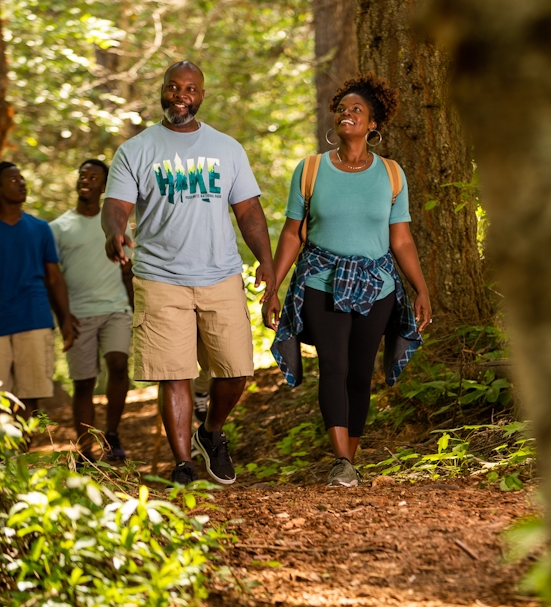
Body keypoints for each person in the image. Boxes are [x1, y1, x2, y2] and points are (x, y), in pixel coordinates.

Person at [102, 61, 276, 487]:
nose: (181, 95)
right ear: (162, 91)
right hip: (160, 276)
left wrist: (268, 264)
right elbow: (116, 207)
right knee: (173, 373)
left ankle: (210, 431)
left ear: (201, 95)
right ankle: (183, 463)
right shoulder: (136, 150)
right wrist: (116, 234)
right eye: (174, 87)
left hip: (220, 274)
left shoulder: (227, 149)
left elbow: (249, 211)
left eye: (191, 88)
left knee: (236, 370)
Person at [265, 74, 431, 488]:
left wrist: (421, 288)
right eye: (342, 109)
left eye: (357, 110)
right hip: (322, 282)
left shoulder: (392, 174)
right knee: (333, 367)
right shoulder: (311, 169)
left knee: (360, 373)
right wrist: (273, 284)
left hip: (377, 286)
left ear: (373, 124)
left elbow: (401, 238)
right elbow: (291, 232)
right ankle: (340, 458)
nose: (347, 114)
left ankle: (349, 462)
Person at [0, 162, 79, 419]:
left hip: (34, 318)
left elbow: (54, 277)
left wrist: (65, 317)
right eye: (13, 180)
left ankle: (21, 455)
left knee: (28, 397)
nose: (21, 183)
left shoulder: (40, 228)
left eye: (22, 178)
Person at [50, 159, 134, 465]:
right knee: (83, 383)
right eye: (83, 175)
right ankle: (85, 449)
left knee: (118, 363)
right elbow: (51, 276)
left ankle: (112, 434)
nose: (86, 180)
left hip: (116, 309)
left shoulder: (115, 223)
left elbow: (128, 271)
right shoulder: (58, 228)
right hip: (79, 314)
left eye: (94, 176)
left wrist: (137, 309)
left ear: (104, 186)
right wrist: (62, 317)